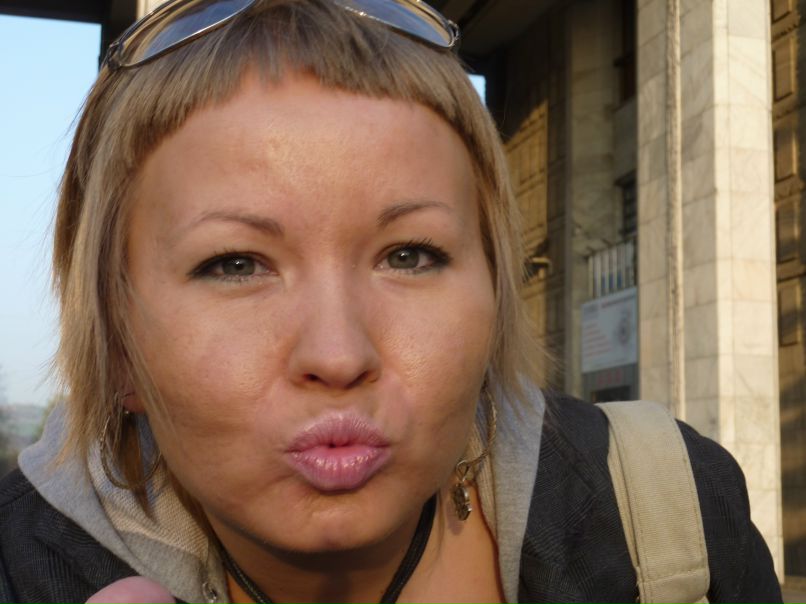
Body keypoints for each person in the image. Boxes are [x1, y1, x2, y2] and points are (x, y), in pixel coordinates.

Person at [0, 0, 782, 602]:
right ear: (118, 343)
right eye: (235, 265)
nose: (339, 355)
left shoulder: (671, 514)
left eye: (410, 256)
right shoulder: (23, 566)